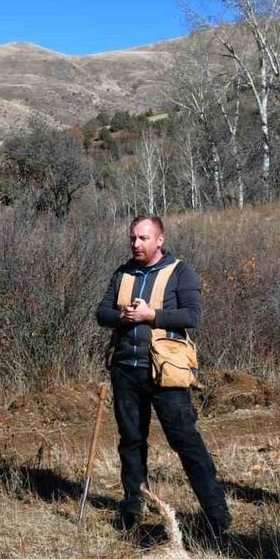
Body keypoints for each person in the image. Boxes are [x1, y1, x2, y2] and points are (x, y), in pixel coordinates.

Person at [94, 215, 229, 536]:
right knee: (131, 441)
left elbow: (192, 315)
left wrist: (151, 315)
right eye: (133, 239)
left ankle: (216, 516)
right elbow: (101, 313)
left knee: (185, 441)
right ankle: (133, 507)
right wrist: (123, 316)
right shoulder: (123, 272)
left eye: (143, 238)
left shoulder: (181, 271)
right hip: (125, 370)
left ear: (160, 240)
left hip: (166, 373)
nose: (136, 244)